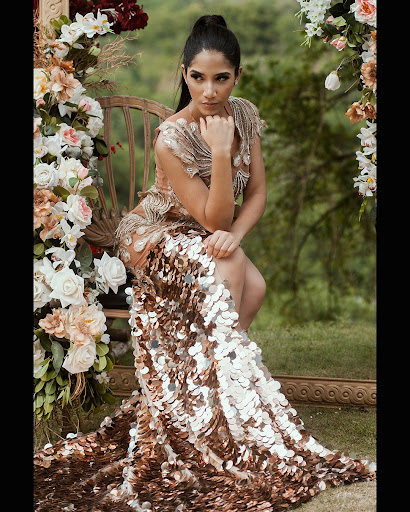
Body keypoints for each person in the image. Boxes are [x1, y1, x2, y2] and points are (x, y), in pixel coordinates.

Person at [34, 15, 375, 511]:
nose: (209, 91)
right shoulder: (170, 137)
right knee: (233, 270)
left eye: (221, 78)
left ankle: (205, 398)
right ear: (184, 74)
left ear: (238, 76)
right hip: (154, 233)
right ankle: (214, 416)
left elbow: (256, 195)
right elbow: (214, 215)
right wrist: (218, 152)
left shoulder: (246, 115)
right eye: (197, 77)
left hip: (207, 232)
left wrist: (235, 235)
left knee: (256, 288)